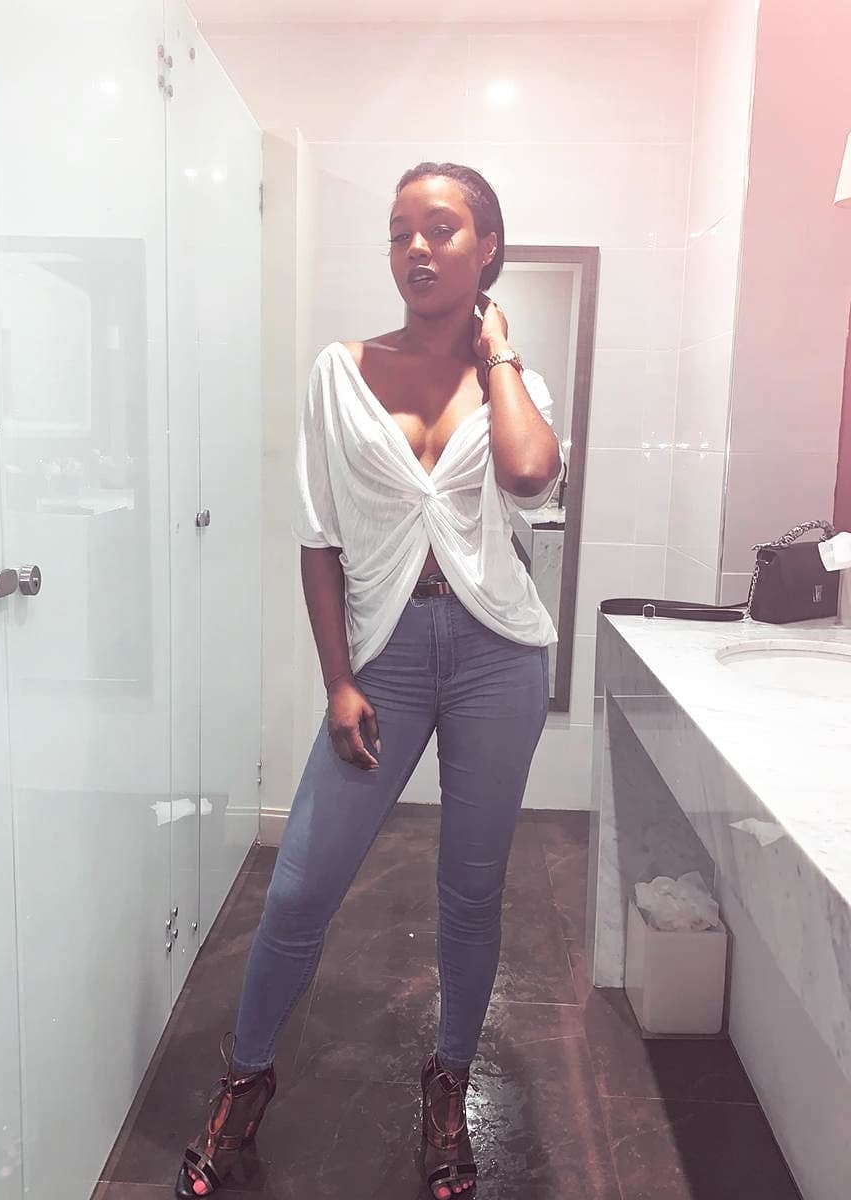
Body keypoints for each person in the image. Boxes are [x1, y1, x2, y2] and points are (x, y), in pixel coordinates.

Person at [176, 162, 561, 1200]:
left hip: (498, 656)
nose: (416, 249)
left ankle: (448, 1083)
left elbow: (530, 476)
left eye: (442, 228)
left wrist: (500, 349)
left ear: (488, 247)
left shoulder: (512, 383)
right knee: (302, 884)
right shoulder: (340, 372)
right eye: (399, 233)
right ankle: (246, 1079)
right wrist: (338, 680)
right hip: (383, 655)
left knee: (470, 890)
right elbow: (318, 539)